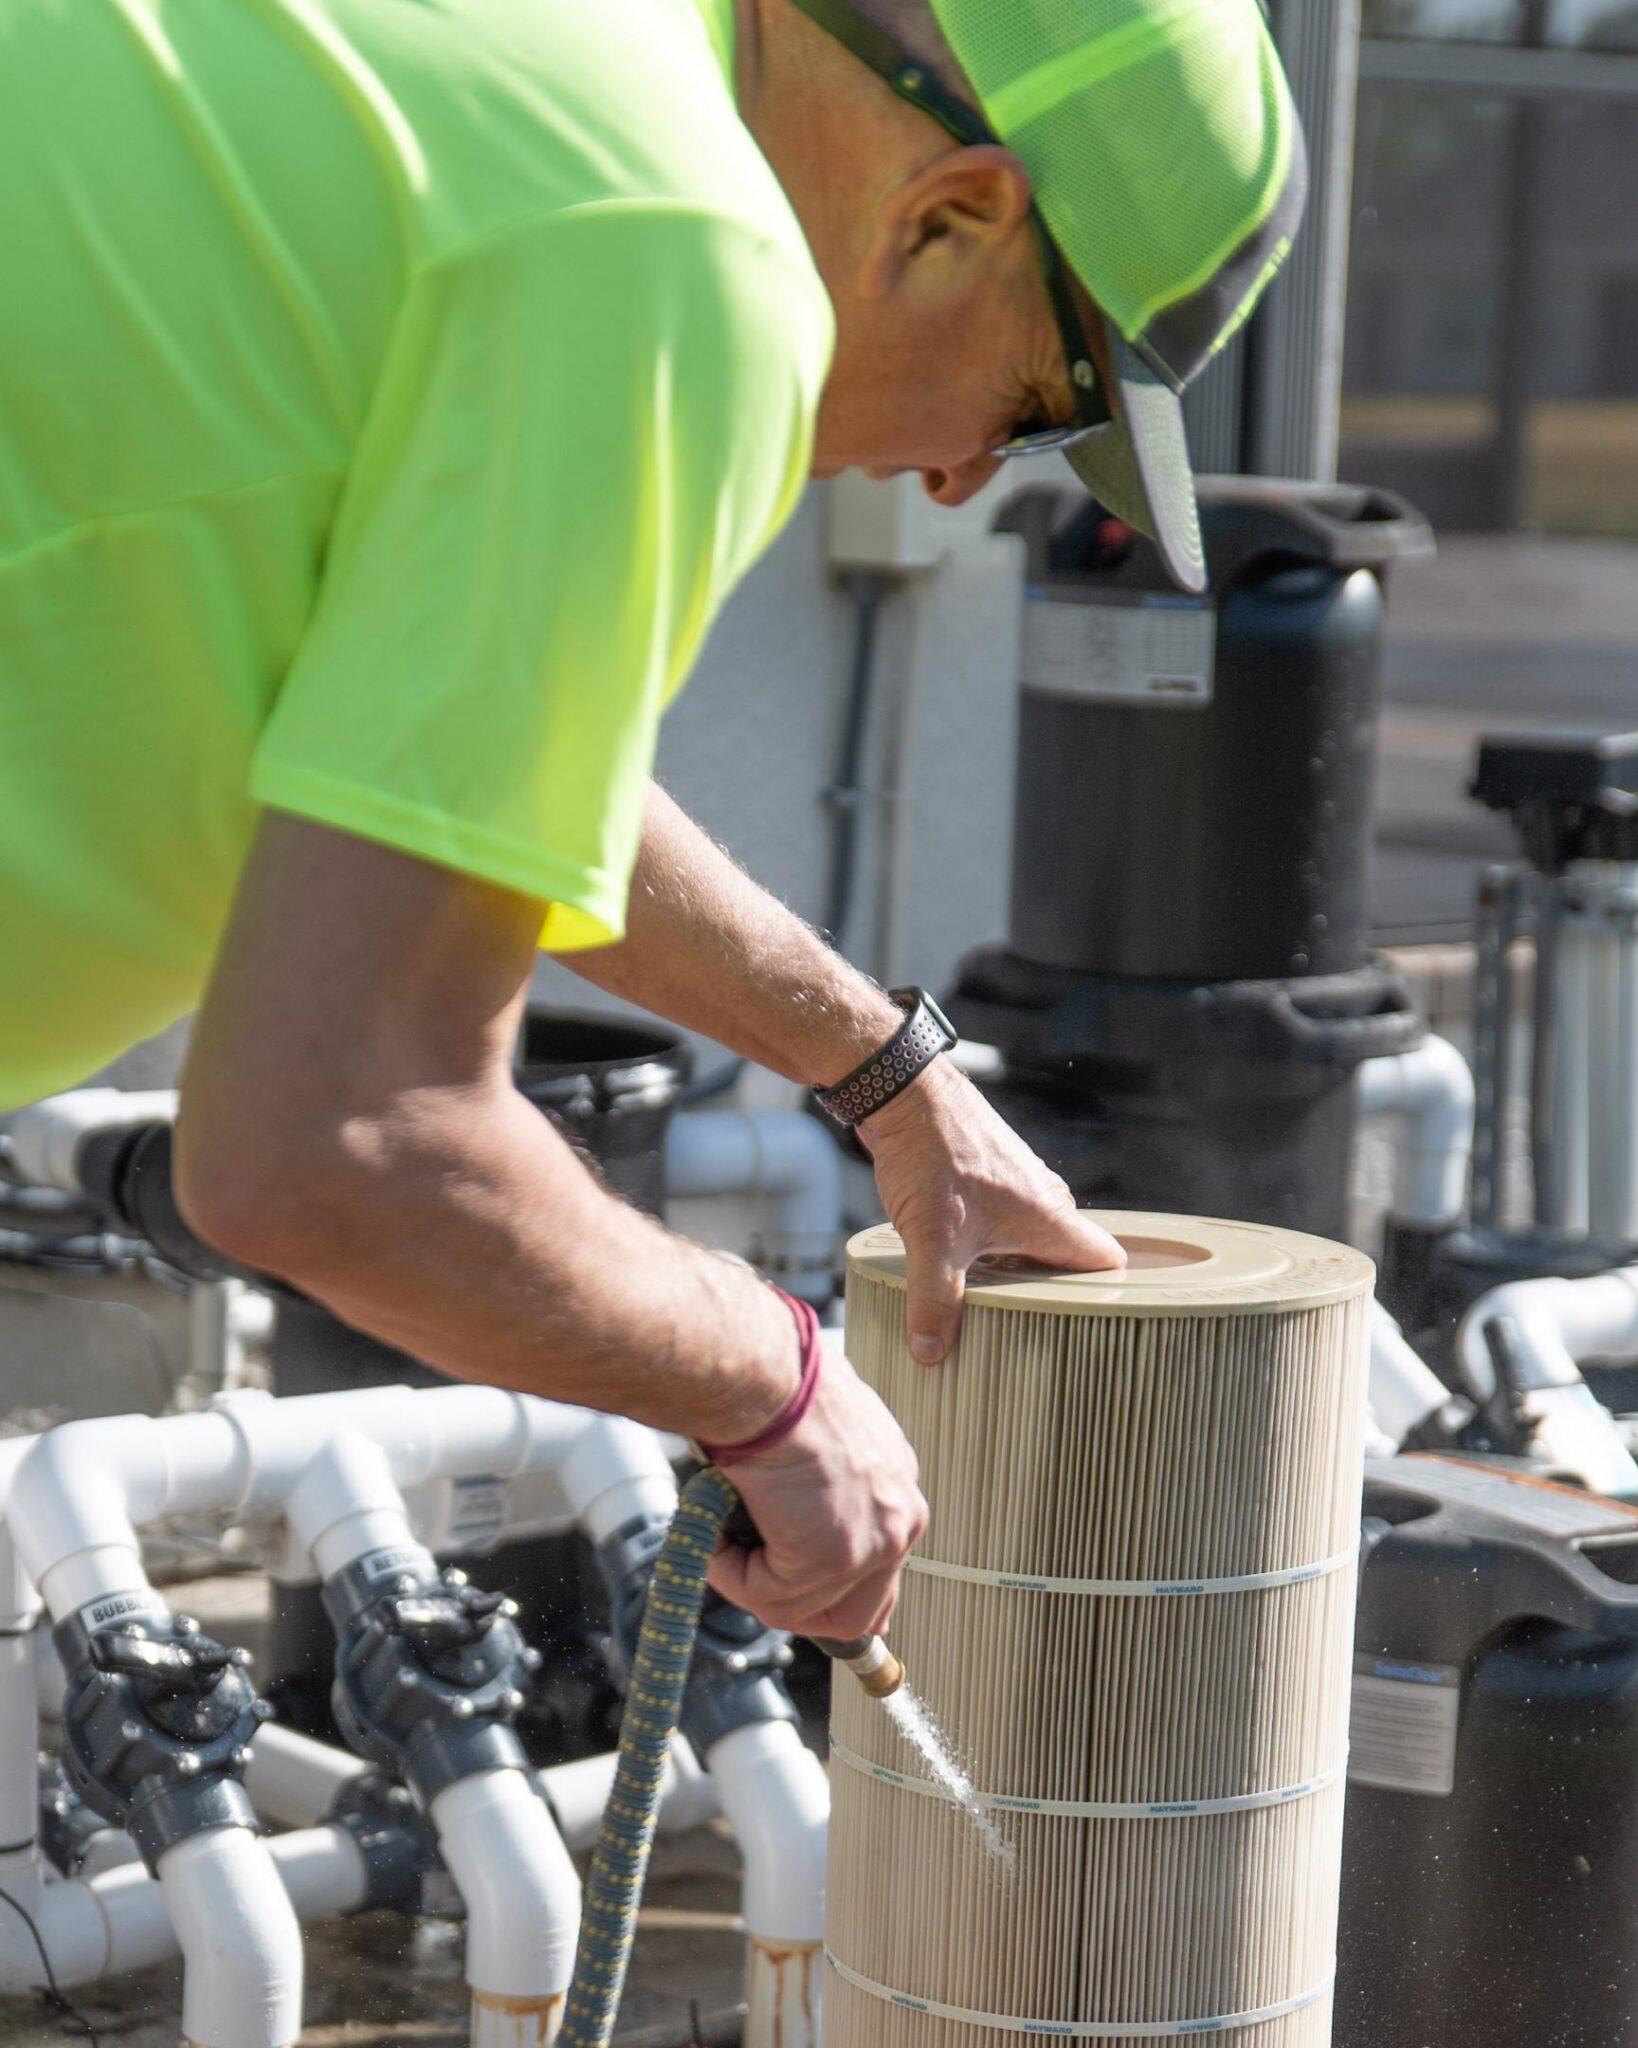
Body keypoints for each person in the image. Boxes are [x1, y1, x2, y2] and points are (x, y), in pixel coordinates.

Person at [0, 0, 1304, 1640]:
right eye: (1047, 401)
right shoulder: (676, 251)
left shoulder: (532, 71)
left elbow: (454, 763)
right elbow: (336, 1143)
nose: (973, 483)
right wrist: (777, 1387)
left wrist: (889, 1076)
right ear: (948, 215)